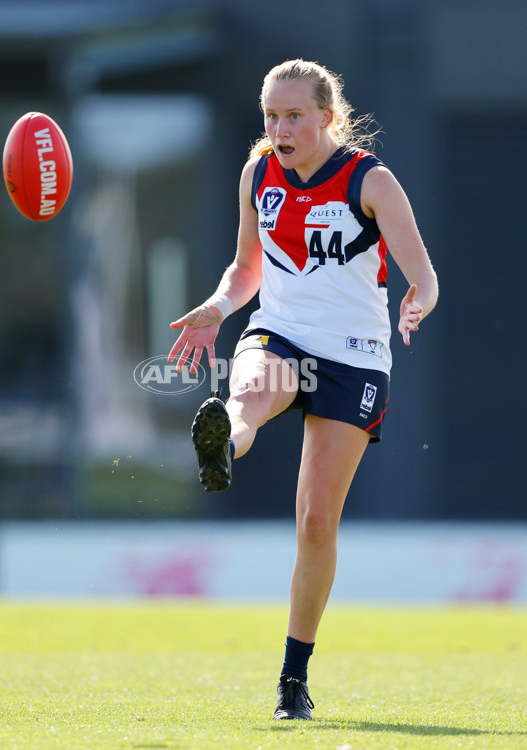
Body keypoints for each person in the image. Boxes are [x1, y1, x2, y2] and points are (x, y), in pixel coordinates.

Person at [168, 59, 438, 720]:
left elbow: (422, 274)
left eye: (293, 116)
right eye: (271, 116)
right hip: (282, 332)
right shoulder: (259, 174)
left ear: (326, 117)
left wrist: (417, 304)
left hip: (355, 357)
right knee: (248, 397)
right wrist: (217, 307)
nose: (280, 128)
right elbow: (245, 267)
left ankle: (294, 677)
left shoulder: (369, 180)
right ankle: (222, 444)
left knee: (316, 522)